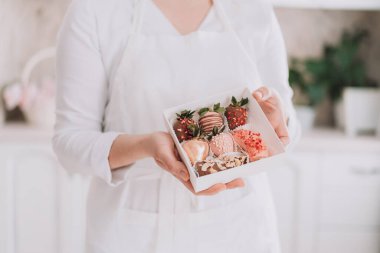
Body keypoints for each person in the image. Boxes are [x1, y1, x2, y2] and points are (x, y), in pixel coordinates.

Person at [53, 0, 300, 252]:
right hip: (131, 232)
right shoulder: (95, 11)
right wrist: (146, 146)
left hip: (239, 228)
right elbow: (70, 143)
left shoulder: (252, 9)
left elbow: (287, 122)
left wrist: (279, 121)